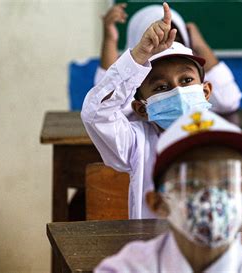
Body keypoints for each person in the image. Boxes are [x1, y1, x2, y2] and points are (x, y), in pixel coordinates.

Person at [94, 110, 242, 273]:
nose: (211, 197)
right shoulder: (126, 269)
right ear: (158, 203)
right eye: (192, 183)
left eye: (227, 184)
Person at [82, 3, 214, 219]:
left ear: (206, 91)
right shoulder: (137, 143)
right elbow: (96, 113)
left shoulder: (228, 142)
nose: (178, 93)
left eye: (187, 80)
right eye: (161, 88)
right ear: (141, 109)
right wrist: (138, 55)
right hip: (154, 248)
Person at [95, 3, 242, 116]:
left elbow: (228, 100)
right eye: (156, 39)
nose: (168, 45)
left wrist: (199, 46)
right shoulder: (132, 84)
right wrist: (110, 40)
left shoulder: (193, 74)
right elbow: (106, 105)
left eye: (176, 37)